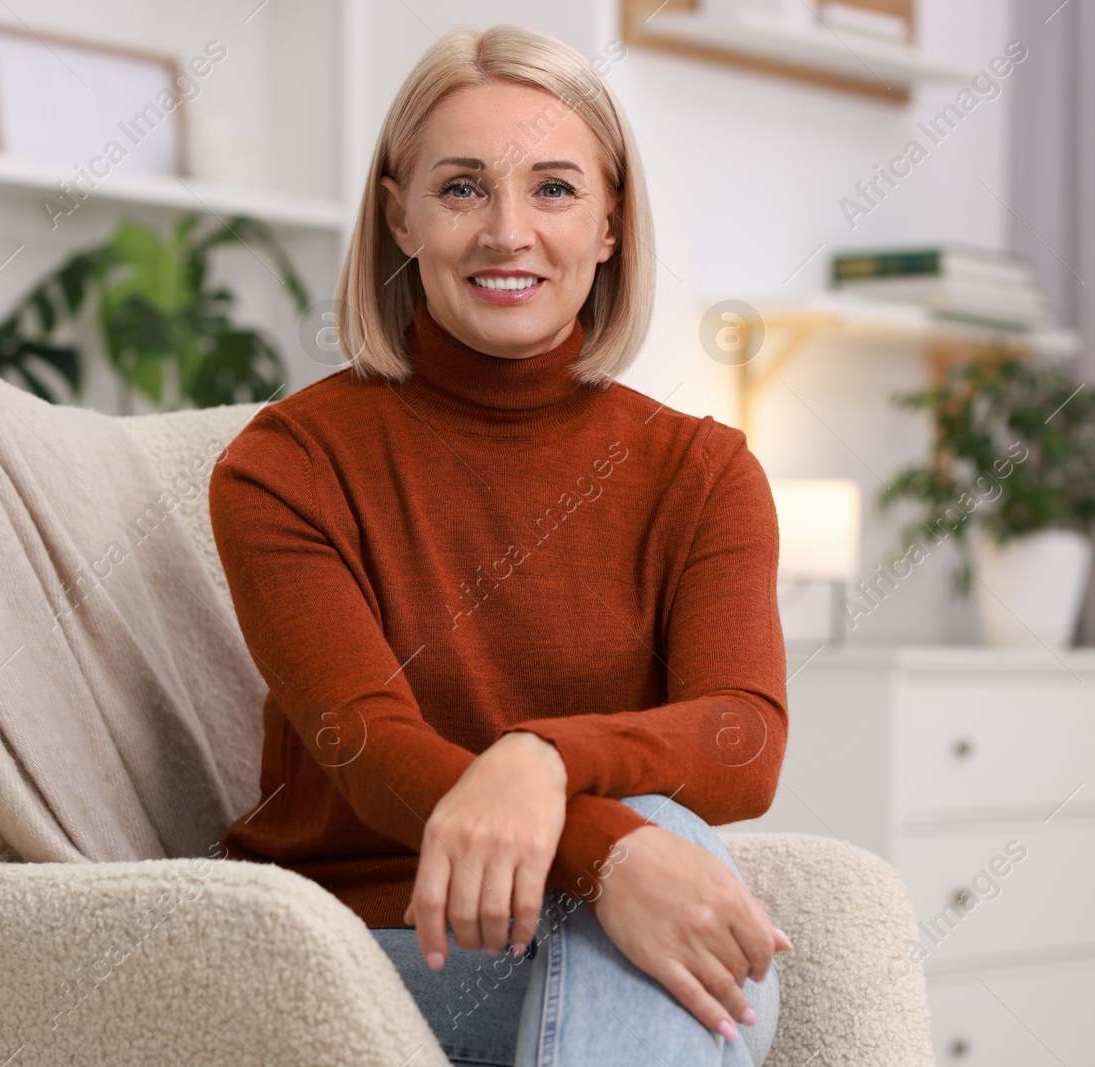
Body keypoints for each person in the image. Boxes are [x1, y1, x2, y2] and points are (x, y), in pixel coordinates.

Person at [209, 22, 791, 1066]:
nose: (507, 231)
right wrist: (610, 849)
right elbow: (372, 756)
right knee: (667, 864)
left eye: (556, 189)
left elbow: (742, 736)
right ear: (400, 217)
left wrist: (544, 754)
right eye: (464, 188)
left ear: (612, 222)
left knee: (681, 863)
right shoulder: (286, 463)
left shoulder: (703, 472)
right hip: (359, 949)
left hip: (570, 938)